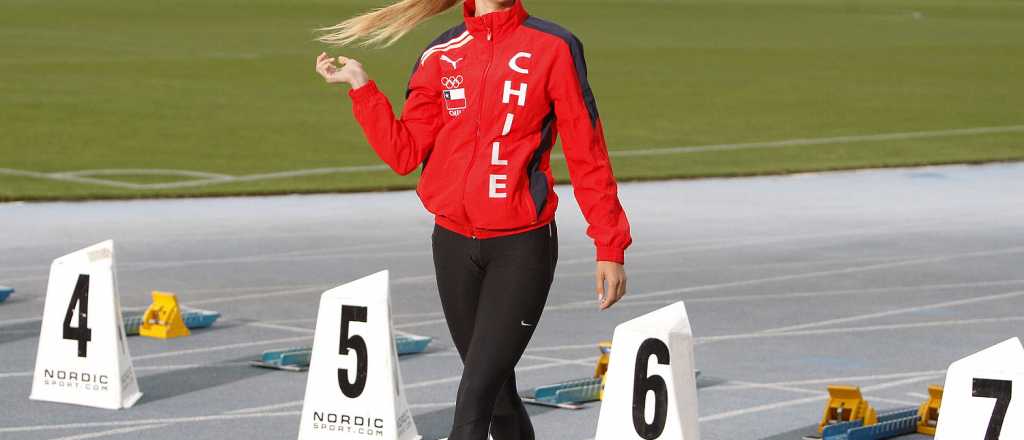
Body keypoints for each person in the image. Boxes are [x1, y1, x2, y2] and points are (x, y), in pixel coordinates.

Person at [314, 1, 631, 438]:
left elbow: (587, 152)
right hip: (453, 246)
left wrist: (609, 245)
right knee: (497, 395)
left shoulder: (554, 46)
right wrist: (363, 89)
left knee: (475, 392)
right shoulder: (439, 55)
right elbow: (405, 153)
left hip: (522, 248)